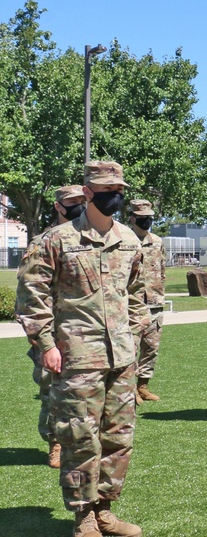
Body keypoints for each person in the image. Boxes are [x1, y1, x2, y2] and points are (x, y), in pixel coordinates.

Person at [16, 161, 147, 537]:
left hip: (120, 356)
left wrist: (133, 334)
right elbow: (31, 294)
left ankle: (105, 509)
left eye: (119, 190)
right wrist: (44, 343)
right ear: (88, 193)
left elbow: (137, 293)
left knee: (118, 437)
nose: (115, 197)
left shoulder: (129, 240)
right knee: (79, 435)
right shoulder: (57, 240)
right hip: (75, 356)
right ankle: (83, 515)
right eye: (107, 191)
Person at [16, 184, 87, 469]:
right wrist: (43, 340)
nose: (79, 207)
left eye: (83, 201)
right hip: (54, 333)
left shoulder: (91, 238)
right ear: (59, 206)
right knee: (51, 391)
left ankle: (80, 443)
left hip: (85, 333)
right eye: (73, 202)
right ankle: (55, 443)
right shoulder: (43, 240)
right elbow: (29, 295)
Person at [128, 199, 165, 403]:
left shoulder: (157, 242)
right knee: (130, 347)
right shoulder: (123, 241)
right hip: (130, 303)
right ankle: (129, 388)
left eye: (149, 218)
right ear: (132, 218)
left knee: (151, 347)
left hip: (154, 302)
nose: (146, 221)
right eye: (142, 218)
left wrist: (160, 294)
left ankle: (143, 385)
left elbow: (162, 270)